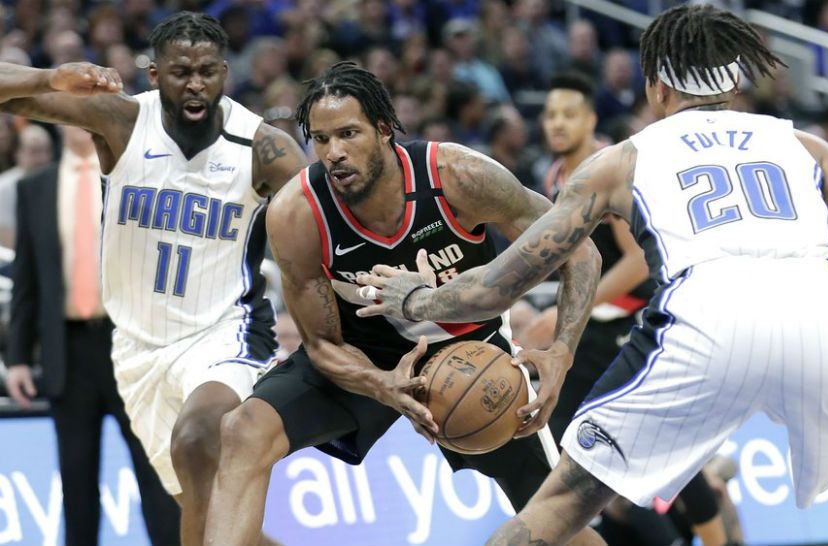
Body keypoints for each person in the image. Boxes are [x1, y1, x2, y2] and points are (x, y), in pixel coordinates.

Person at [356, 6, 828, 546]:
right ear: (734, 83)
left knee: (562, 503)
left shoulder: (621, 160)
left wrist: (417, 301)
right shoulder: (808, 146)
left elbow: (499, 285)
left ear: (656, 87)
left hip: (707, 316)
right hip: (822, 311)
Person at [202, 61, 603, 546]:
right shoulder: (296, 212)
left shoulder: (457, 176)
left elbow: (579, 250)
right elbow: (322, 343)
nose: (333, 153)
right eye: (321, 140)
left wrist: (562, 350)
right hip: (362, 354)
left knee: (559, 523)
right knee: (244, 430)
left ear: (385, 129)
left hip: (471, 352)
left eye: (348, 133)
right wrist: (380, 384)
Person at [0, 11, 306, 546]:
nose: (195, 83)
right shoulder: (119, 120)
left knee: (196, 440)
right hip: (137, 349)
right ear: (155, 74)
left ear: (225, 72)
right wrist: (47, 78)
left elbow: (324, 225)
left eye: (208, 71)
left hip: (224, 333)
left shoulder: (264, 148)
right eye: (181, 70)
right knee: (212, 517)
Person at [528, 71, 735, 546]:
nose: (557, 123)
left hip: (640, 323)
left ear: (591, 119)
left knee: (666, 460)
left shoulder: (610, 169)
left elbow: (639, 261)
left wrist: (569, 313)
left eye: (569, 114)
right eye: (551, 114)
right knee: (575, 452)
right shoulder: (553, 176)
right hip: (595, 333)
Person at [5, 124, 181, 546]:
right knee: (76, 482)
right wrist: (16, 359)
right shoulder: (35, 188)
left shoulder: (133, 177)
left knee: (156, 476)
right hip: (68, 349)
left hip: (131, 346)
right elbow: (27, 282)